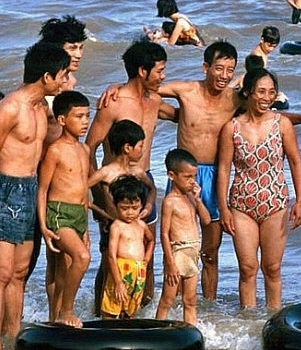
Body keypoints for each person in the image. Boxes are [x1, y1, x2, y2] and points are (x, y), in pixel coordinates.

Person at [154, 41, 301, 300]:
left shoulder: (235, 98)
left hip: (215, 176)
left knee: (210, 251)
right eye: (219, 68)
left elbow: (267, 111)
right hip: (185, 173)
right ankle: (174, 305)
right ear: (206, 67)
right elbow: (147, 87)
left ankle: (208, 304)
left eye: (230, 70)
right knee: (177, 244)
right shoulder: (185, 90)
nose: (224, 76)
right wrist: (117, 90)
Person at [0, 42, 70, 350]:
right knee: (2, 272)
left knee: (21, 273)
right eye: (62, 76)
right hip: (5, 188)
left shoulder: (42, 109)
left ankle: (13, 337)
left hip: (30, 188)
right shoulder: (11, 107)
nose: (65, 82)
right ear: (47, 76)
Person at [86, 39, 176, 313]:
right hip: (113, 185)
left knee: (144, 253)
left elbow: (186, 116)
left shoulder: (155, 101)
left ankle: (141, 314)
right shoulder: (113, 103)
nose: (163, 76)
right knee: (111, 254)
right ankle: (102, 315)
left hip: (143, 179)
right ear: (141, 71)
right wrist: (101, 197)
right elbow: (87, 150)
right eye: (159, 70)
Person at [217, 68, 301, 309]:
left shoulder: (282, 125)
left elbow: (296, 162)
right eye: (261, 92)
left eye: (271, 93)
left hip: (275, 203)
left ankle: (272, 318)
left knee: (272, 268)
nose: (267, 98)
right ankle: (248, 323)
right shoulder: (231, 128)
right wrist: (223, 208)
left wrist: (299, 201)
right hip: (241, 205)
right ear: (248, 93)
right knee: (247, 269)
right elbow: (224, 169)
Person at [85, 119, 157, 317]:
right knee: (108, 265)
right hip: (112, 225)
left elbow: (151, 189)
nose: (142, 150)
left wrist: (149, 205)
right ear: (127, 147)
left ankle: (133, 311)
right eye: (140, 146)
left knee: (136, 264)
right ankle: (101, 312)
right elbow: (81, 194)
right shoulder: (106, 172)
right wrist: (102, 214)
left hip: (134, 225)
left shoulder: (137, 171)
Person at [36, 90, 91, 328]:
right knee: (82, 257)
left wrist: (86, 227)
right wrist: (43, 226)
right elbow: (42, 190)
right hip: (59, 213)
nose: (85, 122)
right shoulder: (55, 150)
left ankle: (55, 319)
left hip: (79, 215)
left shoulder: (85, 150)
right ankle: (67, 310)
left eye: (87, 116)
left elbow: (83, 190)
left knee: (64, 270)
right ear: (61, 120)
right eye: (78, 117)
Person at [155, 148, 211, 325]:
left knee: (190, 300)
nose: (192, 181)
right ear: (172, 175)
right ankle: (158, 330)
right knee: (168, 300)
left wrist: (199, 199)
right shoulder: (169, 201)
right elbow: (164, 233)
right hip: (178, 252)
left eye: (194, 177)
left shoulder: (190, 198)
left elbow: (207, 220)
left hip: (193, 252)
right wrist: (170, 263)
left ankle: (191, 329)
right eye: (187, 177)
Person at [101, 175, 155, 319]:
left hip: (138, 271)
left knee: (131, 309)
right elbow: (111, 255)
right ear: (115, 204)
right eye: (124, 208)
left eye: (135, 208)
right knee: (112, 307)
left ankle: (127, 334)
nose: (130, 212)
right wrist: (118, 282)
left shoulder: (141, 225)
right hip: (120, 270)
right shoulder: (117, 226)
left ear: (141, 205)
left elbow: (151, 240)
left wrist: (147, 257)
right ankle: (107, 334)